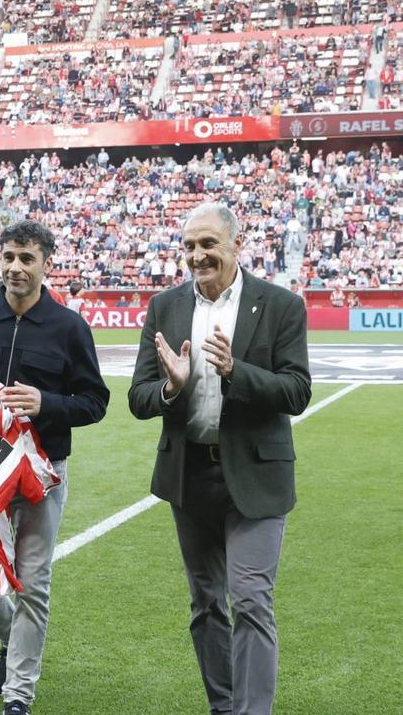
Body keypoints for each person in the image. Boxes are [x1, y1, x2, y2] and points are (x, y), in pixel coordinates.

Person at [128, 203, 312, 715]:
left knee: (250, 599)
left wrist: (236, 371)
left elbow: (297, 391)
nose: (197, 256)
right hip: (188, 477)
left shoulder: (280, 305)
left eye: (208, 243)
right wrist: (170, 387)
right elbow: (139, 397)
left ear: (236, 243)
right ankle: (225, 706)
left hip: (256, 476)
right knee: (206, 603)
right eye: (189, 246)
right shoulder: (164, 306)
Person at [0, 221, 110, 715]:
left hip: (42, 472)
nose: (15, 267)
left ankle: (18, 695)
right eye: (8, 256)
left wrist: (46, 403)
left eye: (27, 258)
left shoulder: (70, 327)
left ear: (47, 264)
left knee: (32, 581)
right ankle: (11, 638)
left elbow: (95, 401)